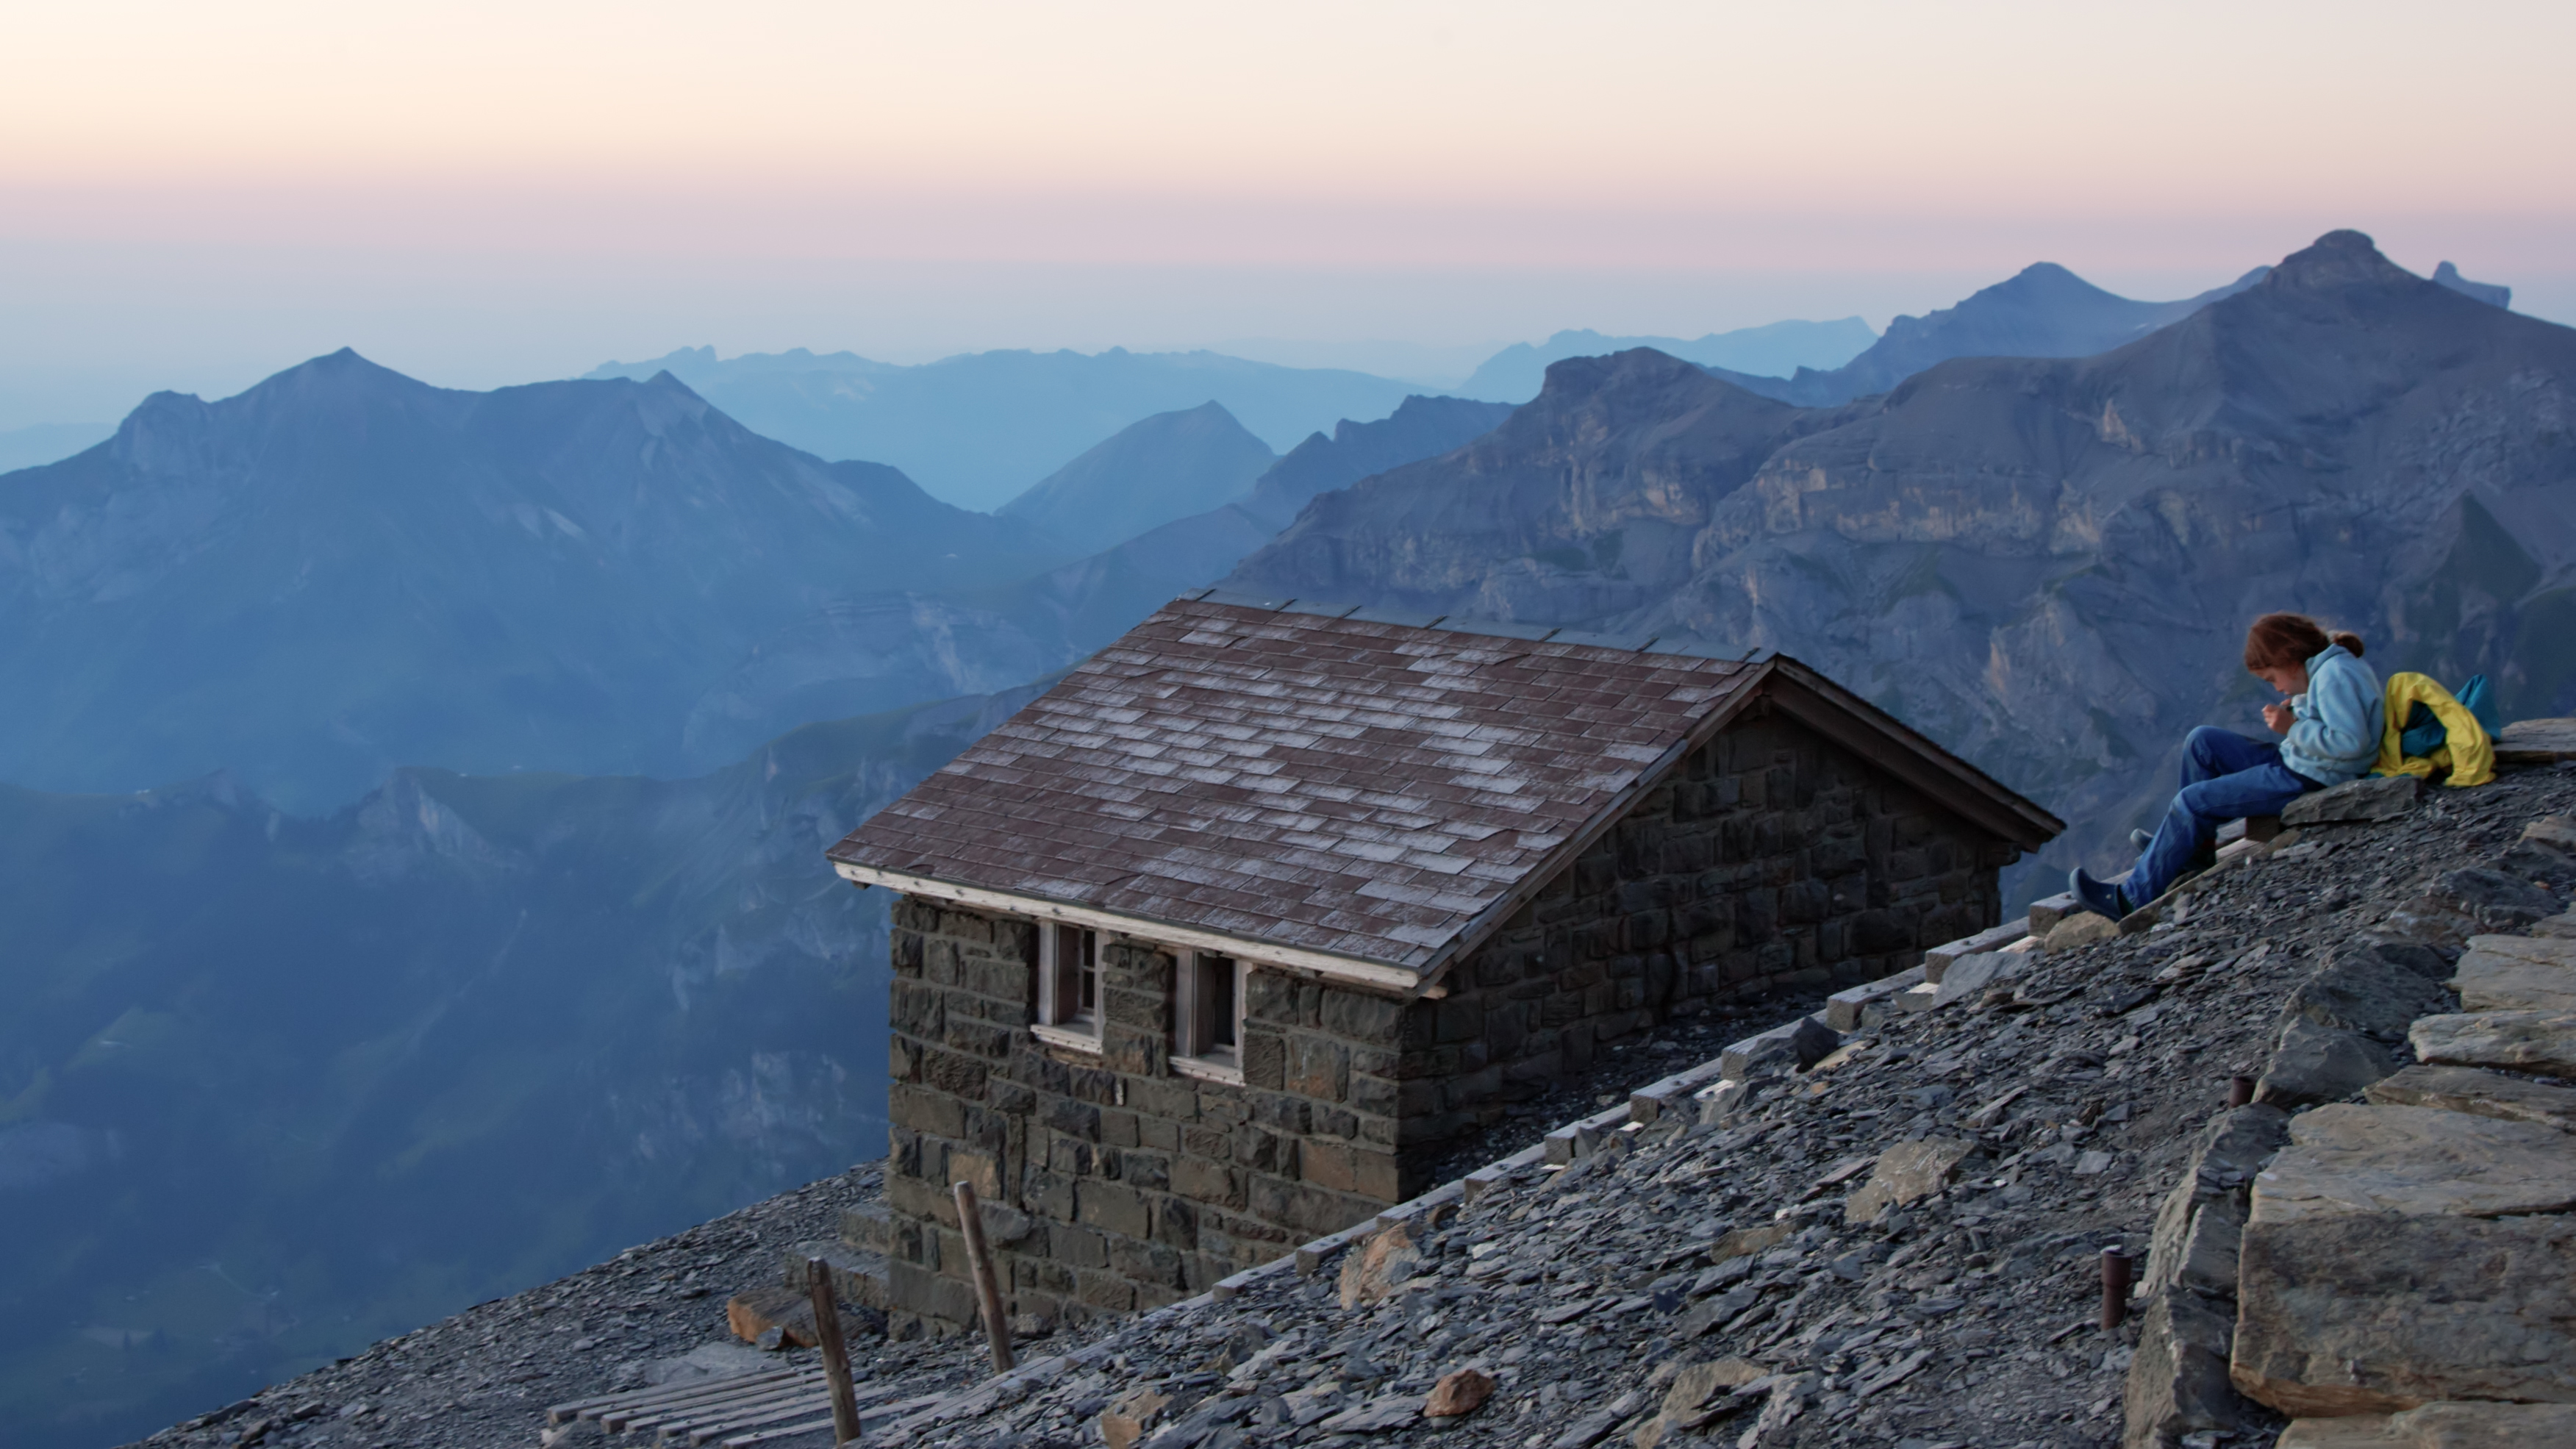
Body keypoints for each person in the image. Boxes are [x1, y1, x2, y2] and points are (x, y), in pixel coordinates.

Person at [2069, 613, 2384, 919]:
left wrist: (2293, 728)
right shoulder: (2324, 669)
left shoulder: (2335, 674)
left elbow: (2350, 742)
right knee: (2202, 742)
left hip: (2312, 777)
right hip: (2304, 761)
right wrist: (2300, 713)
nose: (2276, 687)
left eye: (2273, 678)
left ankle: (2131, 898)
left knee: (2191, 802)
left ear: (2291, 661)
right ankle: (2192, 852)